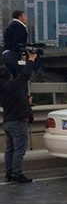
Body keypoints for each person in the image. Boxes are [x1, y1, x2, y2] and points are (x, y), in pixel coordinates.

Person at [0, 49, 38, 183]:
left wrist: (25, 101)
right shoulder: (11, 85)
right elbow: (25, 75)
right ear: (9, 77)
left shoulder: (3, 88)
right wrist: (31, 59)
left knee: (10, 149)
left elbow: (14, 100)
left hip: (8, 122)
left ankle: (9, 173)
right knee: (19, 150)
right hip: (17, 122)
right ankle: (17, 174)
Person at [2, 10, 29, 96]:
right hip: (13, 54)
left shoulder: (10, 26)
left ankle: (14, 98)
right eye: (25, 16)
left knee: (13, 77)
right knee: (23, 76)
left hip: (5, 54)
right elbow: (19, 43)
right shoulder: (19, 26)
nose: (26, 19)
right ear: (20, 17)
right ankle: (24, 99)